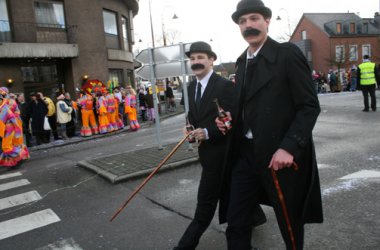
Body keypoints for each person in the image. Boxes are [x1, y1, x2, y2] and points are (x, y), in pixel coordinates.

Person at [216, 1, 323, 249]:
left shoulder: (287, 54)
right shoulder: (242, 61)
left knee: (290, 223)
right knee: (237, 221)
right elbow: (244, 107)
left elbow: (309, 106)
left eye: (254, 18)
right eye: (242, 21)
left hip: (279, 154)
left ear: (267, 21)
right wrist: (228, 120)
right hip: (246, 155)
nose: (248, 25)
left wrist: (289, 147)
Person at [173, 41, 265, 250]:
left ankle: (184, 246)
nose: (196, 62)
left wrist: (207, 132)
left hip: (229, 158)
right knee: (230, 201)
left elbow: (233, 123)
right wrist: (189, 131)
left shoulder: (225, 86)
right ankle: (255, 216)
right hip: (208, 157)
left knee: (208, 207)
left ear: (211, 60)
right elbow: (191, 117)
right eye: (193, 58)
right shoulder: (189, 88)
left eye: (200, 58)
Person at [0, 92, 29, 168]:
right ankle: (14, 161)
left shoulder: (6, 104)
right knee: (9, 145)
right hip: (11, 125)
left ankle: (20, 155)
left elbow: (8, 115)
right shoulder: (4, 104)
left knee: (8, 146)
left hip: (10, 126)